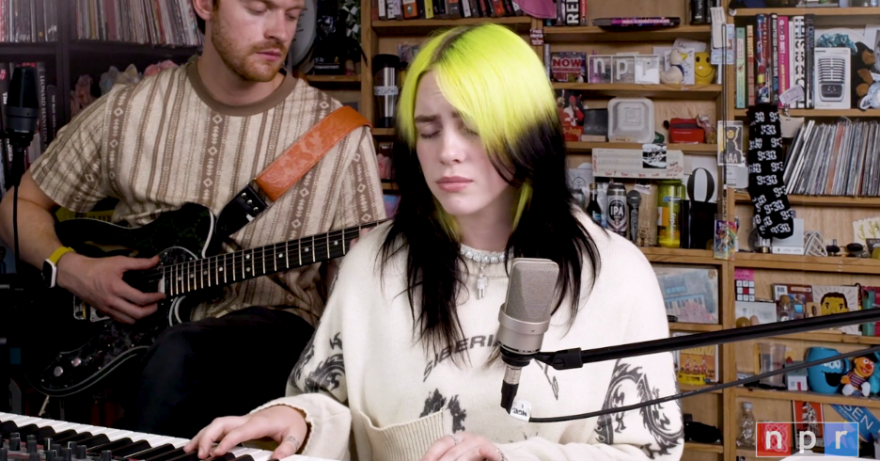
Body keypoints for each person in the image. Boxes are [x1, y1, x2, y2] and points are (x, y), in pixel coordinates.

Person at [185, 23, 683, 461]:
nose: (447, 152)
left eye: (473, 127)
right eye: (429, 131)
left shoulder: (615, 275)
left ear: (528, 132)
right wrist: (298, 420)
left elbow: (645, 451)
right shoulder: (373, 263)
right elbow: (333, 403)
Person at [0, 0, 385, 438]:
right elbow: (17, 208)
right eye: (260, 8)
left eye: (292, 14)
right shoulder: (127, 112)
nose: (280, 30)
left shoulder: (339, 137)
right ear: (205, 4)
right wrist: (72, 268)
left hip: (274, 349)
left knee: (182, 352)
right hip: (133, 349)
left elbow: (362, 303)